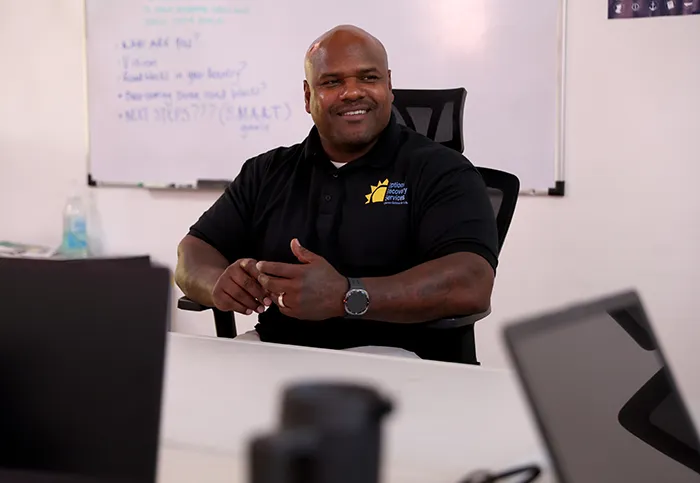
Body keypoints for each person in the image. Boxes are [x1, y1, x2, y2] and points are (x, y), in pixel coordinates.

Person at [175, 25, 499, 364]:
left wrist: (347, 295)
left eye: (368, 78)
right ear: (307, 96)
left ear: (388, 85)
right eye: (332, 82)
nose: (352, 92)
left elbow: (472, 283)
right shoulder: (266, 171)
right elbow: (192, 251)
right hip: (278, 353)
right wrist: (217, 284)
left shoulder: (442, 170)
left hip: (402, 364)